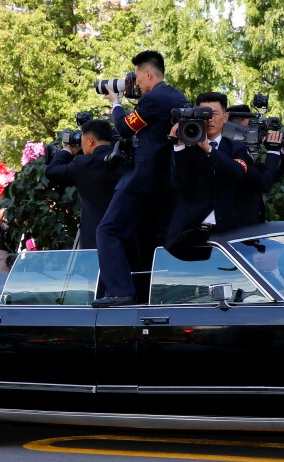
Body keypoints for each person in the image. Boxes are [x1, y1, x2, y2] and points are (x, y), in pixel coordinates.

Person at [94, 50, 187, 307]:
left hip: (142, 179)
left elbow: (123, 128)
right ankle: (155, 293)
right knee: (151, 239)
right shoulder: (178, 96)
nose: (135, 82)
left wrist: (115, 102)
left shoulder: (153, 99)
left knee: (107, 231)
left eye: (136, 76)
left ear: (148, 73)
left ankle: (120, 291)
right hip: (169, 180)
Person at [165, 92, 250, 250]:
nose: (210, 119)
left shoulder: (236, 148)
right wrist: (179, 147)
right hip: (188, 231)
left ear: (225, 117)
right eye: (204, 114)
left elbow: (239, 172)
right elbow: (179, 185)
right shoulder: (186, 147)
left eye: (214, 114)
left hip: (226, 233)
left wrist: (208, 148)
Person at [45, 119, 120, 250]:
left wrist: (67, 151)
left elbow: (52, 171)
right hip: (127, 236)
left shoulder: (83, 164)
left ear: (90, 141)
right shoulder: (124, 159)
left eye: (82, 140)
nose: (81, 144)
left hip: (95, 240)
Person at [233, 122, 284, 227]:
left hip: (251, 228)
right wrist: (273, 150)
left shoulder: (248, 153)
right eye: (251, 129)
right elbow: (264, 182)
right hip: (236, 229)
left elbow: (270, 174)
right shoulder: (234, 154)